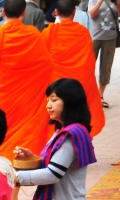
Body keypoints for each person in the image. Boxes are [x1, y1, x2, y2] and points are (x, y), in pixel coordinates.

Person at [0, 0, 53, 200]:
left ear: (3, 12)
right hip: (30, 98)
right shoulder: (33, 35)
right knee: (21, 145)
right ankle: (12, 198)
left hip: (4, 97)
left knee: (2, 144)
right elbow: (47, 65)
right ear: (24, 13)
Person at [43, 0, 105, 136]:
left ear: (57, 13)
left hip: (57, 88)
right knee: (77, 119)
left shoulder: (50, 32)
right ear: (74, 12)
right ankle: (79, 141)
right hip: (78, 87)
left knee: (57, 121)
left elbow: (42, 62)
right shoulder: (83, 33)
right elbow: (89, 63)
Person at [88, 0, 120, 108]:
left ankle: (100, 96)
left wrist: (117, 3)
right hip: (94, 37)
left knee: (106, 67)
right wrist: (100, 2)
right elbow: (91, 14)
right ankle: (90, 94)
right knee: (88, 66)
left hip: (110, 38)